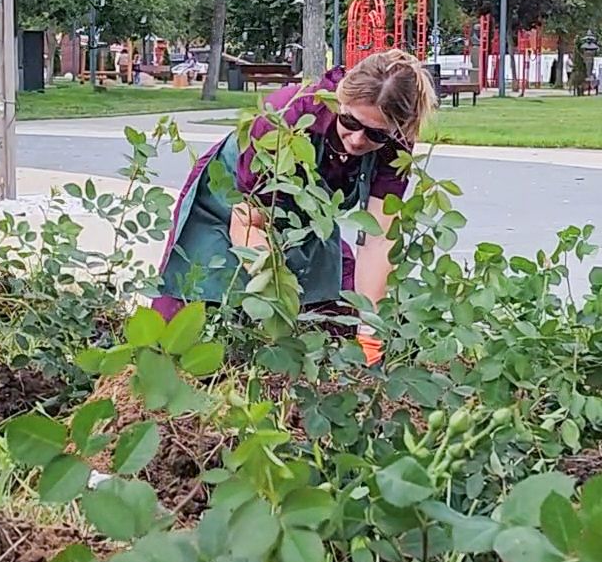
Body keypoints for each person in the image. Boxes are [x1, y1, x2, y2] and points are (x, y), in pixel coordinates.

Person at [153, 49, 439, 365]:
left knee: (333, 321)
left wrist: (370, 332)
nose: (358, 141)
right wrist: (279, 303)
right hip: (229, 204)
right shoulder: (288, 115)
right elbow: (247, 223)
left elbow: (379, 238)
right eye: (349, 121)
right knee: (184, 324)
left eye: (374, 134)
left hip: (307, 218)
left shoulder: (395, 143)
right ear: (339, 99)